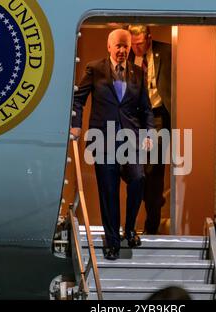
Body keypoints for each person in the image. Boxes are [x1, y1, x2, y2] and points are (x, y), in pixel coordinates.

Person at [70, 29, 154, 260]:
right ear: (109, 47)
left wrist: (149, 134)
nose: (122, 50)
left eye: (125, 46)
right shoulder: (95, 69)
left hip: (131, 141)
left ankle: (129, 230)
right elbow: (78, 98)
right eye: (118, 45)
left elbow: (146, 109)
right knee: (109, 192)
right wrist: (76, 124)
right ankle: (112, 242)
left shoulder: (138, 72)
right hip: (103, 140)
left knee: (138, 179)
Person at [128, 25, 172, 235]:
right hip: (135, 120)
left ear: (149, 39)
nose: (136, 48)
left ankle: (151, 224)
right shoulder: (125, 56)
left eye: (139, 44)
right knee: (136, 171)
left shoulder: (167, 51)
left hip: (157, 117)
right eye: (133, 44)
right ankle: (152, 203)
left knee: (153, 170)